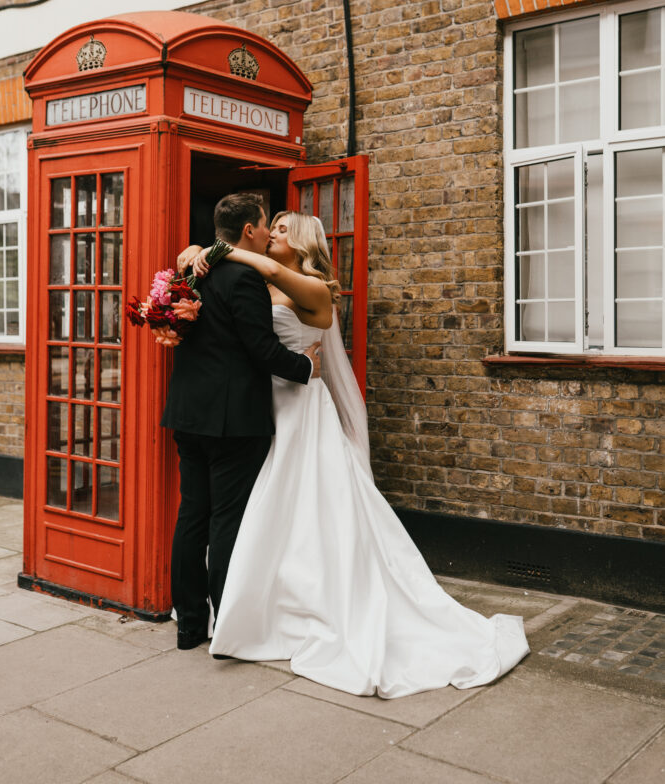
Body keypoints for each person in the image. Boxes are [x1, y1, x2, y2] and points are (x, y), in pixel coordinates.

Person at [186, 211, 529, 698]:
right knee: (269, 507)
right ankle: (260, 602)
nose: (272, 234)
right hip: (263, 409)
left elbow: (272, 277)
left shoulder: (313, 286)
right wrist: (194, 255)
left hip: (303, 406)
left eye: (282, 229)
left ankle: (313, 603)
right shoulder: (253, 280)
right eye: (271, 226)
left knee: (311, 506)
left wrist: (214, 249)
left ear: (302, 240)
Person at [161, 194, 321, 651]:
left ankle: (190, 625)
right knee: (227, 521)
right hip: (233, 421)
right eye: (265, 224)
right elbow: (262, 350)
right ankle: (228, 627)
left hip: (188, 415)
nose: (271, 232)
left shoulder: (188, 272)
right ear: (249, 230)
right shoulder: (244, 277)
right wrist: (306, 367)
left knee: (192, 517)